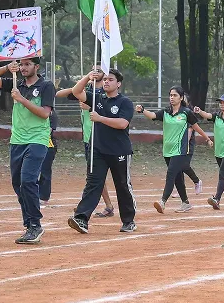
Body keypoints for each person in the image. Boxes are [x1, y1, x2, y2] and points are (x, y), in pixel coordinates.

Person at [0, 57, 56, 244]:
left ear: (36, 66)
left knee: (28, 180)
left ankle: (35, 225)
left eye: (27, 64)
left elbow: (45, 113)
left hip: (38, 139)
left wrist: (21, 99)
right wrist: (6, 67)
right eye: (21, 64)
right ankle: (29, 223)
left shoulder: (46, 86)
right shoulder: (16, 84)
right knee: (18, 184)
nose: (23, 68)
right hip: (17, 140)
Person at [66, 68, 137, 233]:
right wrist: (88, 77)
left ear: (118, 84)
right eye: (104, 79)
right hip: (97, 150)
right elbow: (76, 92)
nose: (106, 82)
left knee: (122, 185)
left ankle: (128, 221)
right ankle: (81, 218)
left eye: (110, 79)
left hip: (119, 151)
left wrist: (100, 118)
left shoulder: (125, 102)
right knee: (93, 183)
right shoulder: (97, 97)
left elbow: (122, 124)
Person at [137, 86, 211, 214]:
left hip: (180, 150)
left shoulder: (186, 112)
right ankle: (185, 203)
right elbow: (153, 116)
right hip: (167, 150)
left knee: (171, 174)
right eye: (170, 95)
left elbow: (196, 127)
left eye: (175, 95)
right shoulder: (166, 112)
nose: (172, 97)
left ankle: (162, 202)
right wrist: (143, 110)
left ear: (181, 98)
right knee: (177, 177)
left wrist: (207, 139)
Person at [58, 68, 116, 218]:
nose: (95, 72)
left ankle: (86, 206)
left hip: (103, 138)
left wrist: (90, 107)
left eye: (99, 70)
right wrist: (83, 81)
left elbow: (110, 111)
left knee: (99, 175)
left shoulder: (106, 92)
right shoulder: (86, 90)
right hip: (88, 138)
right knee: (94, 175)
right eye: (93, 70)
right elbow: (59, 94)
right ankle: (107, 205)